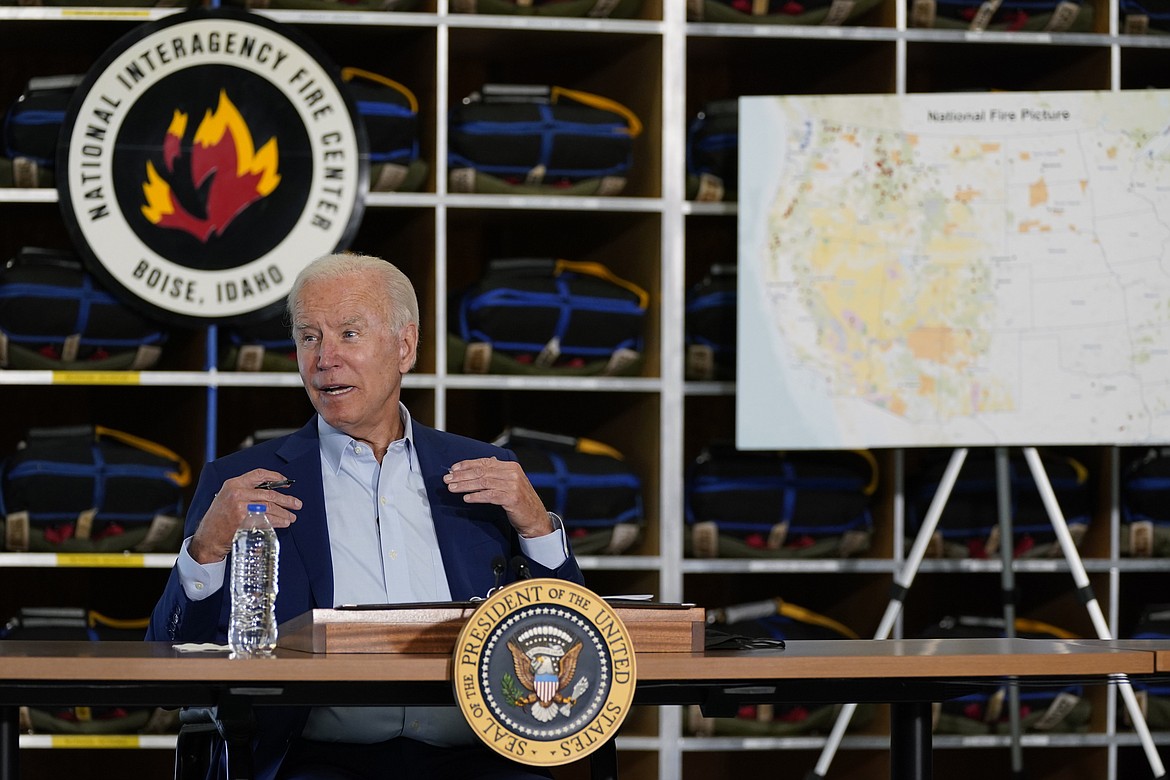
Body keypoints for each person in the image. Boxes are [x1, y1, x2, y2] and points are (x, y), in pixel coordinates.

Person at [147, 252, 584, 780]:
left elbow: (573, 638)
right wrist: (206, 550)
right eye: (309, 337)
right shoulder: (242, 483)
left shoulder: (485, 472)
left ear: (405, 346)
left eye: (348, 334)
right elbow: (167, 661)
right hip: (316, 759)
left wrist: (538, 530)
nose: (324, 358)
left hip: (479, 756)